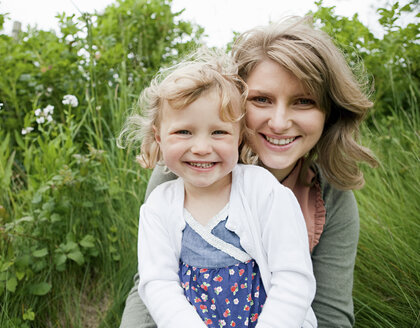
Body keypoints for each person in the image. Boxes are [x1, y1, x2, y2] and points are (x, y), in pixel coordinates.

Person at [120, 16, 378, 328]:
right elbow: (150, 285)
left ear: (329, 112)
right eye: (261, 99)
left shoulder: (329, 196)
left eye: (304, 101)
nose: (280, 122)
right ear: (236, 104)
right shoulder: (182, 173)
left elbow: (330, 314)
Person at [119, 47, 317, 328]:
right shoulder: (158, 207)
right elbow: (158, 283)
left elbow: (293, 277)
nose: (201, 148)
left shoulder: (263, 191)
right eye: (183, 131)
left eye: (219, 132)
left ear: (239, 137)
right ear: (159, 137)